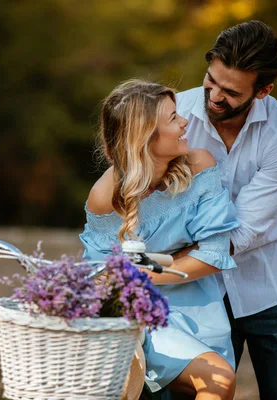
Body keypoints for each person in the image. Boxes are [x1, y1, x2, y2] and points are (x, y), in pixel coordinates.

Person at [174, 20, 277, 399]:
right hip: (199, 292)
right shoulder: (175, 115)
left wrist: (160, 269)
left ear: (264, 91)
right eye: (211, 81)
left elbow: (241, 233)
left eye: (231, 92)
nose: (215, 96)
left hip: (276, 288)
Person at [79, 79, 239, 400]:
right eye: (172, 118)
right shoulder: (104, 196)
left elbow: (214, 254)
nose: (185, 122)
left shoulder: (199, 165)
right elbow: (100, 276)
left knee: (215, 381)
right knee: (218, 379)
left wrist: (140, 274)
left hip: (200, 311)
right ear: (144, 136)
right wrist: (184, 254)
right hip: (139, 318)